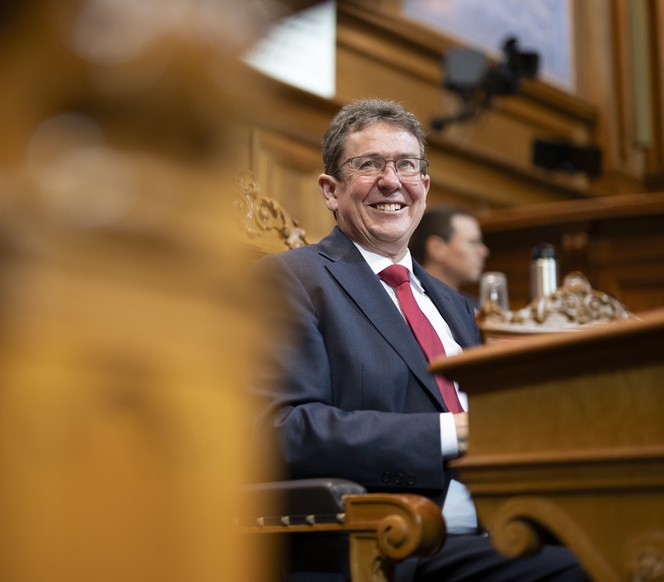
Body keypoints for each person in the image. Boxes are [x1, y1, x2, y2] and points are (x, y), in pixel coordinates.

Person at [251, 98, 587, 581]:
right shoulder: (294, 280)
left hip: (509, 521)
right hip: (391, 541)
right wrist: (452, 433)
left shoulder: (458, 306)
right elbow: (283, 428)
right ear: (330, 190)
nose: (392, 181)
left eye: (406, 164)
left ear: (424, 186)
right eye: (368, 165)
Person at [409, 205, 489, 305]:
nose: (484, 251)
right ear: (437, 248)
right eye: (472, 242)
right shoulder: (413, 303)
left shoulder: (475, 308)